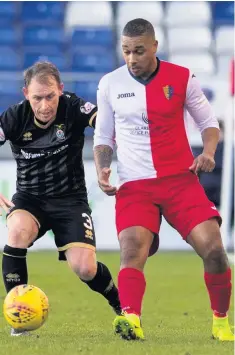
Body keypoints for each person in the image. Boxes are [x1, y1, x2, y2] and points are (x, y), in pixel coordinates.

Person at [93, 18, 234, 341]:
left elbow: (209, 124)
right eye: (126, 51)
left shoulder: (182, 78)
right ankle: (131, 319)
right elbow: (103, 136)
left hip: (180, 182)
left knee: (214, 251)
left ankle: (221, 322)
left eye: (139, 51)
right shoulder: (109, 84)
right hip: (135, 185)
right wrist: (102, 167)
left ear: (155, 47)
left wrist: (209, 152)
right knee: (132, 250)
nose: (132, 58)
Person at [0, 61, 121, 336]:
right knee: (16, 232)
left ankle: (120, 303)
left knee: (85, 268)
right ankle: (20, 320)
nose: (44, 105)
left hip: (70, 200)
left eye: (50, 96)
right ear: (25, 94)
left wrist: (106, 164)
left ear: (61, 90)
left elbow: (105, 125)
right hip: (30, 199)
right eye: (37, 98)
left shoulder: (74, 107)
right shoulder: (14, 117)